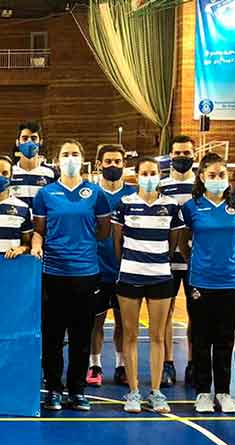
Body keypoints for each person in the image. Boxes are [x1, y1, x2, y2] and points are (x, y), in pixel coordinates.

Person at [30, 139, 111, 411]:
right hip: (53, 273)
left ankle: (77, 390)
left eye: (75, 153)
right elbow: (39, 229)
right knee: (52, 335)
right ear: (57, 160)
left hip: (86, 273)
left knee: (80, 336)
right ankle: (53, 388)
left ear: (83, 158)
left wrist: (82, 246)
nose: (70, 158)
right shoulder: (46, 194)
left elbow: (103, 230)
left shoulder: (95, 193)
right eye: (65, 154)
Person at [176, 153, 235, 414]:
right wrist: (199, 261)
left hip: (229, 281)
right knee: (202, 338)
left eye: (222, 175)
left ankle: (225, 392)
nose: (218, 179)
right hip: (201, 281)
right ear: (202, 177)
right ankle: (204, 392)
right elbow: (183, 243)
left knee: (226, 339)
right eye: (212, 175)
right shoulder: (191, 207)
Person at [112, 157, 182, 414]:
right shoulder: (125, 204)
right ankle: (133, 392)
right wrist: (130, 263)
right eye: (145, 172)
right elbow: (117, 241)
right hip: (130, 275)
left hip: (161, 276)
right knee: (130, 335)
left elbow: (174, 241)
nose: (149, 176)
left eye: (154, 172)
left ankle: (156, 392)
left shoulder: (172, 206)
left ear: (160, 175)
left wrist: (157, 260)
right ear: (137, 175)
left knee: (157, 335)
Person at [89, 145, 136, 387]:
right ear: (99, 165)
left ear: (124, 164)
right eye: (108, 161)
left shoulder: (133, 195)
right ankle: (94, 365)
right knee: (95, 322)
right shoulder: (92, 194)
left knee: (124, 323)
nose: (113, 166)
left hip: (126, 270)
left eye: (118, 161)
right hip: (96, 269)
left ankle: (121, 365)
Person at [158, 135, 197, 387]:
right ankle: (167, 363)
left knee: (196, 316)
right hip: (168, 261)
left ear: (194, 155)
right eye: (177, 153)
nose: (182, 157)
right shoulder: (162, 186)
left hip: (196, 262)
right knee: (166, 314)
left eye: (186, 153)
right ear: (170, 156)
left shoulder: (202, 184)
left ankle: (194, 364)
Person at [10, 121, 53, 208]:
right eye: (25, 138)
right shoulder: (9, 173)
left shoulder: (51, 174)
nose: (29, 142)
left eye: (33, 138)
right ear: (17, 142)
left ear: (40, 142)